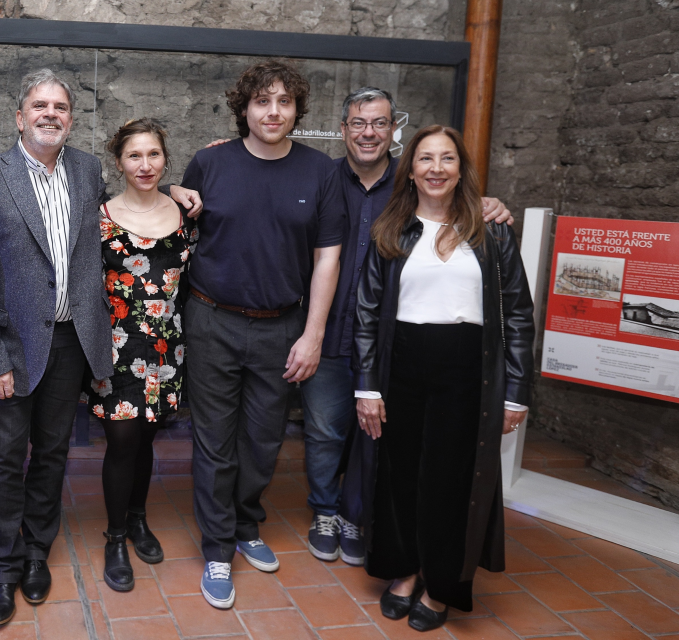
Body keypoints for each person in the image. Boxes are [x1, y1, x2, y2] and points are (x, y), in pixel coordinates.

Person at [301, 87, 513, 565]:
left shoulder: (415, 179)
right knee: (324, 431)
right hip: (329, 331)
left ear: (394, 128)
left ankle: (358, 516)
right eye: (359, 123)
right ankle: (326, 512)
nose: (369, 132)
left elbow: (456, 206)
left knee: (377, 435)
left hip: (391, 341)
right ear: (343, 129)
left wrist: (488, 203)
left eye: (379, 122)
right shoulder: (322, 177)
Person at [178, 59, 346, 610]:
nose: (273, 112)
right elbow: (175, 218)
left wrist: (313, 335)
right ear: (244, 108)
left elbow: (327, 259)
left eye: (284, 102)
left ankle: (246, 523)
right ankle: (217, 546)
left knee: (263, 439)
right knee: (215, 439)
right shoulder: (210, 162)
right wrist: (176, 188)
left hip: (282, 327)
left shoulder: (319, 172)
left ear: (297, 111)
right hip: (212, 320)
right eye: (262, 101)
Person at [354, 124, 534, 631]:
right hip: (402, 365)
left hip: (467, 371)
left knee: (451, 480)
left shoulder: (492, 231)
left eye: (447, 158)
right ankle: (406, 569)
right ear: (410, 170)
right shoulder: (391, 230)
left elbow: (519, 314)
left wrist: (515, 393)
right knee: (401, 475)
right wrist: (367, 386)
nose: (436, 168)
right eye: (426, 158)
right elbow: (366, 313)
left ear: (461, 170)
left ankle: (440, 583)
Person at [89, 118, 198, 592]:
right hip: (117, 350)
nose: (145, 164)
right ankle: (115, 537)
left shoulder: (186, 213)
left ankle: (137, 518)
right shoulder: (99, 217)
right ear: (119, 162)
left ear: (165, 159)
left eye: (153, 154)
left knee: (147, 439)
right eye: (134, 155)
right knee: (122, 441)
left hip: (167, 349)